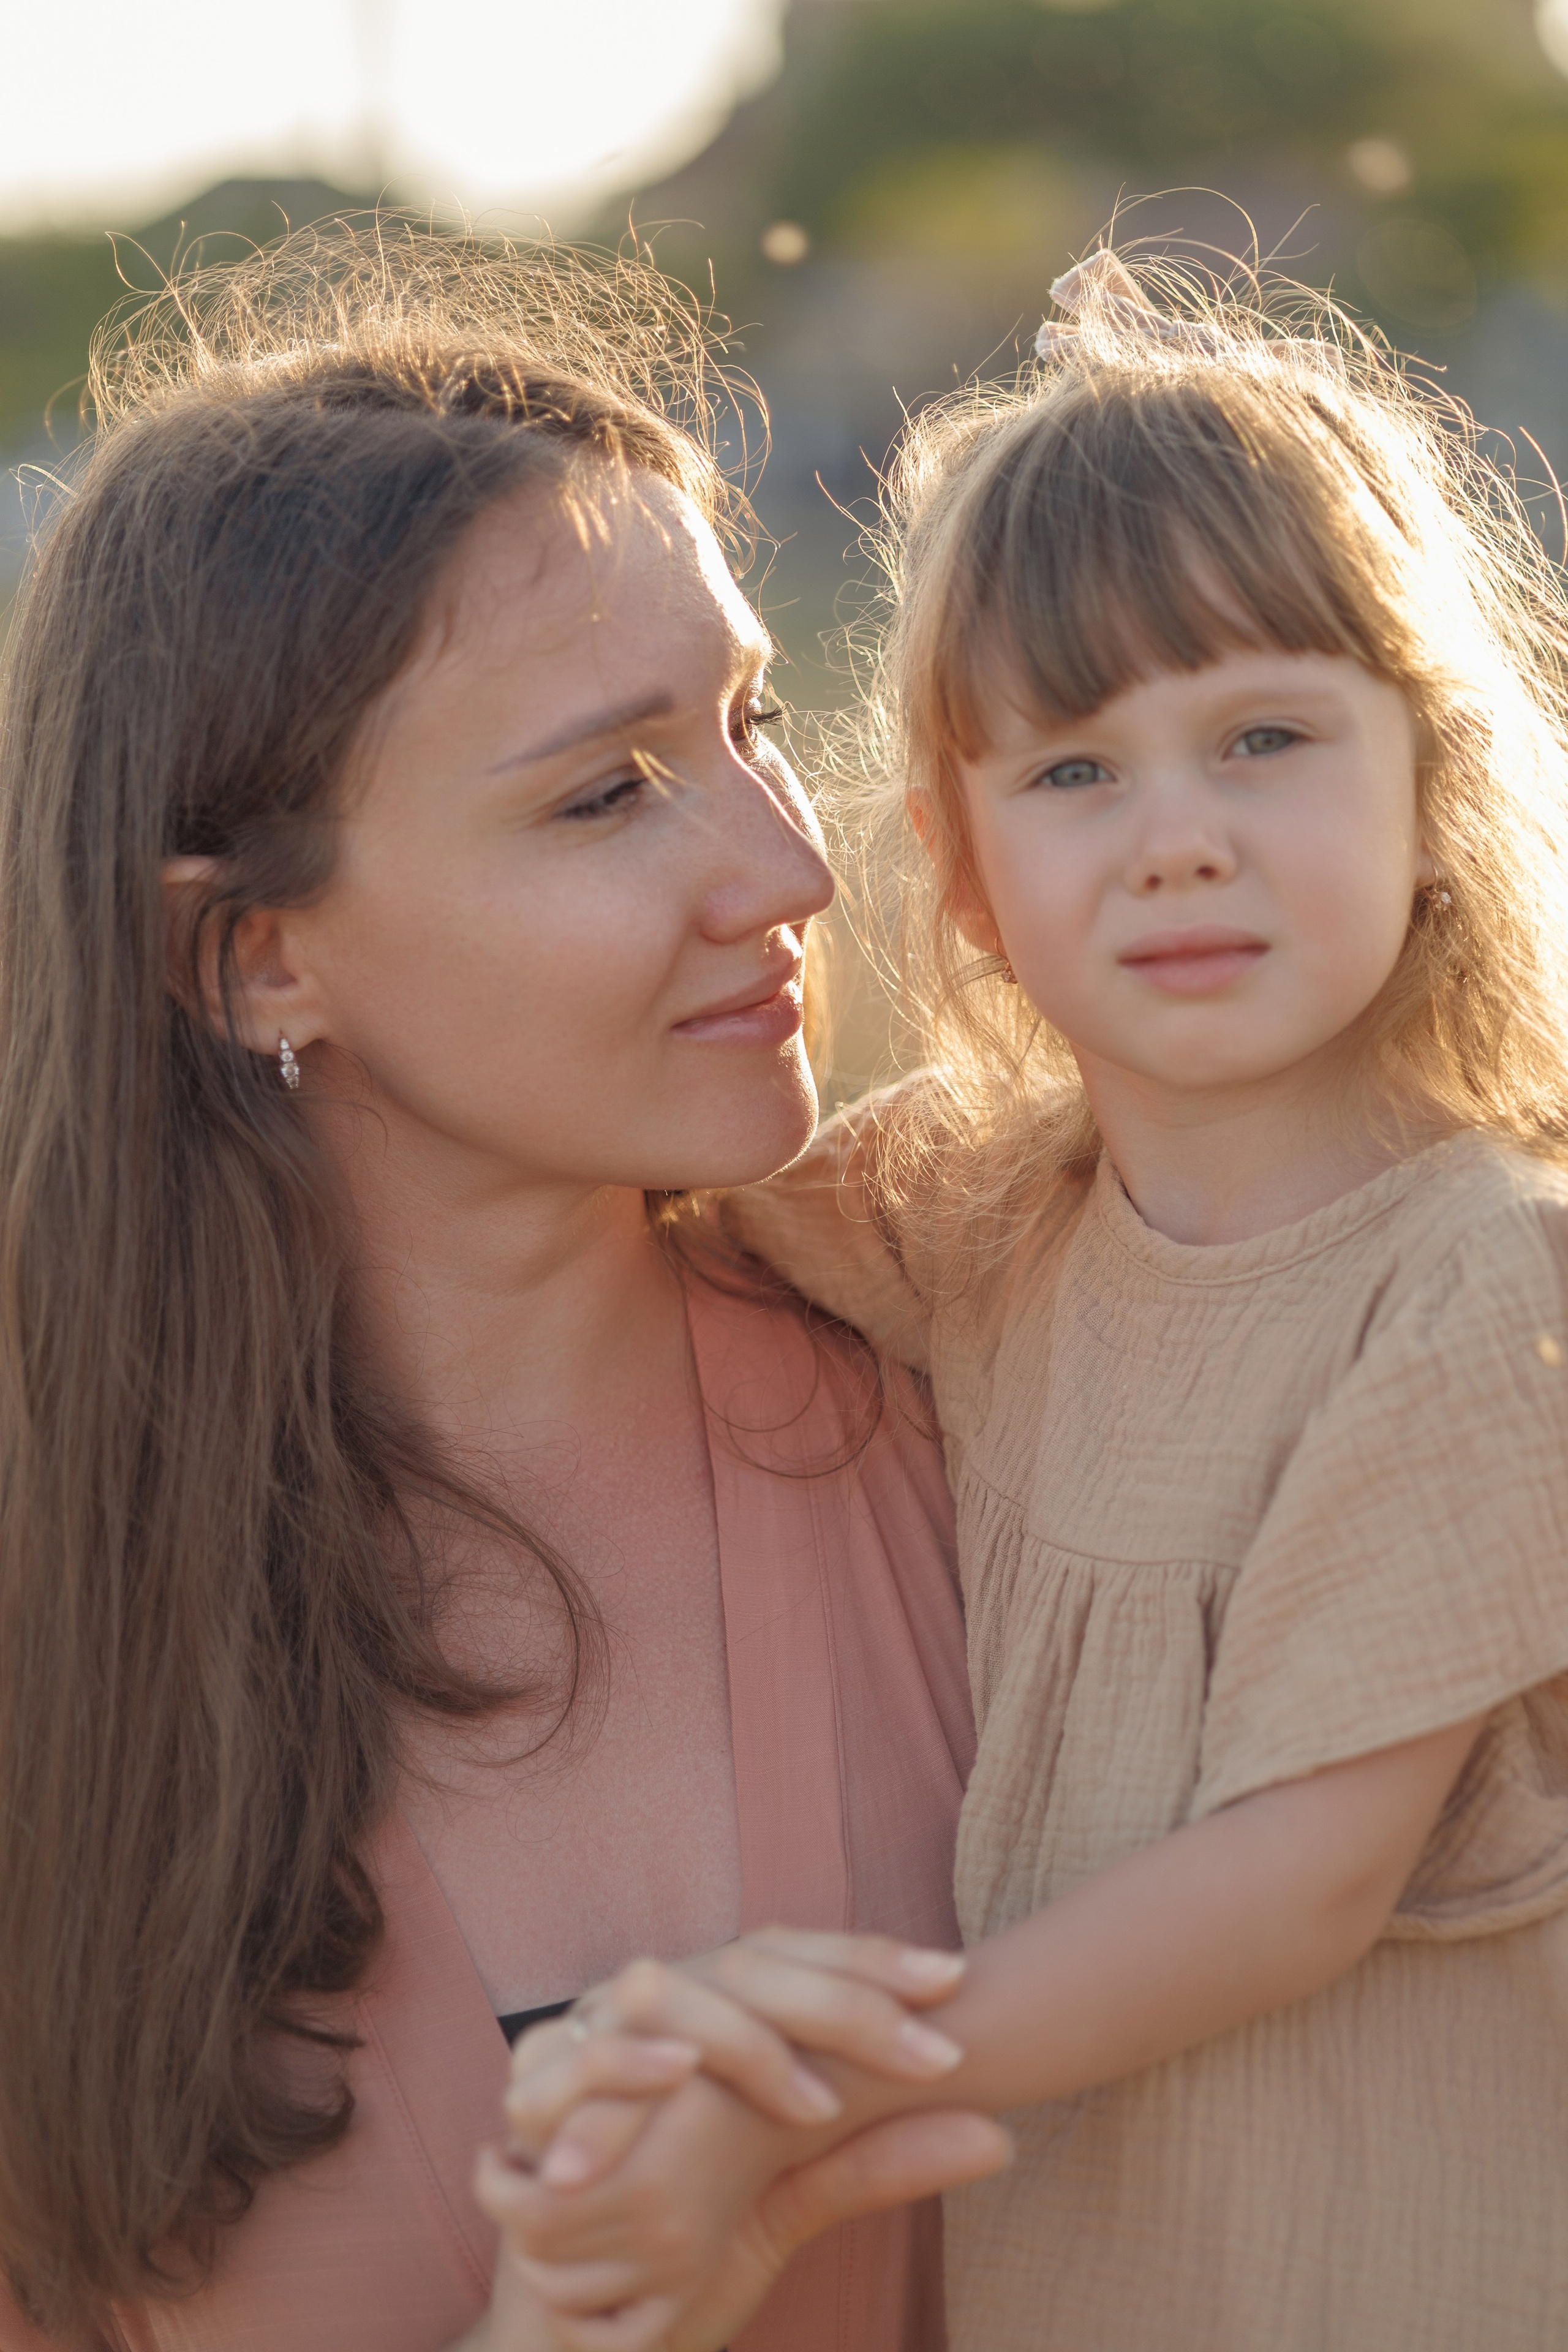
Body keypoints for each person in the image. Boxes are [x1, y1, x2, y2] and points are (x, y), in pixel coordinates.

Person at [489, 251, 1568, 2352]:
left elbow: (1297, 1882)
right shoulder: (980, 1210)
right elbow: (620, 1227)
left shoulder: (1485, 1280)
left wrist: (793, 2096)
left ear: (1434, 797)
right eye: (1074, 772)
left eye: (1263, 740)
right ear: (965, 870)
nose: (1177, 841)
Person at [0, 223, 1008, 2352]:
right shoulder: (46, 1632)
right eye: (609, 791)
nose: (793, 868)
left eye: (751, 722)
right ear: (250, 959)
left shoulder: (993, 1401)